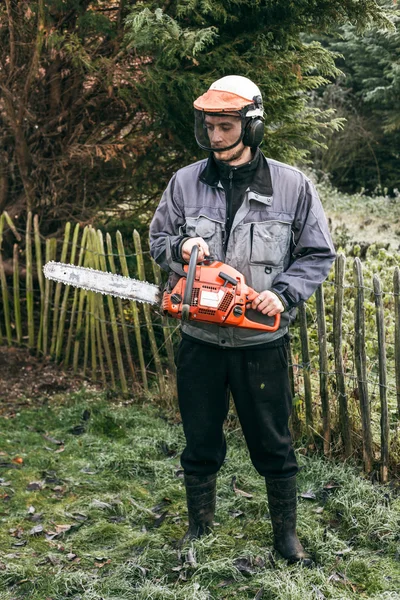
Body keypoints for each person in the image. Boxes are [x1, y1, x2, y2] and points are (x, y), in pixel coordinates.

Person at [149, 75, 335, 565]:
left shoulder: (292, 186)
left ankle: (285, 538)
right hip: (200, 339)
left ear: (251, 127)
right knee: (200, 440)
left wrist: (283, 294)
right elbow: (159, 240)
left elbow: (317, 254)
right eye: (209, 126)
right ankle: (198, 530)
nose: (215, 136)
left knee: (274, 443)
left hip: (260, 344)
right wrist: (181, 248)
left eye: (226, 126)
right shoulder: (185, 182)